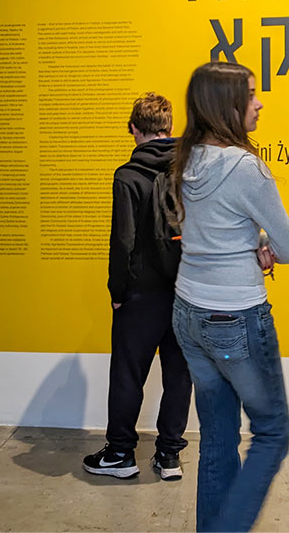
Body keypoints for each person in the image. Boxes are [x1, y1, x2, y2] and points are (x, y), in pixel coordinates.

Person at [170, 61, 289, 532]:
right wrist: (262, 244)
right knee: (272, 433)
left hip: (187, 312)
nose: (260, 102)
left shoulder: (186, 160)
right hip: (235, 316)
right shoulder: (246, 167)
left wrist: (250, 241)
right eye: (250, 94)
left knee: (218, 439)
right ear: (224, 105)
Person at [84, 93, 192, 481]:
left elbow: (123, 242)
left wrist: (116, 293)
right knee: (179, 374)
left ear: (133, 128)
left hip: (140, 295)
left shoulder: (127, 176)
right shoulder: (189, 170)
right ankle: (169, 457)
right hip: (185, 291)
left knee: (129, 373)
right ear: (170, 128)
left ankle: (120, 454)